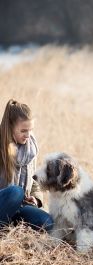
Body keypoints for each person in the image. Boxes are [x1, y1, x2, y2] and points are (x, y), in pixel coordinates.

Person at [0, 99, 53, 231]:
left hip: (21, 207)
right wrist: (13, 198)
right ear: (11, 127)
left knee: (49, 222)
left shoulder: (30, 149)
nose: (28, 135)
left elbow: (34, 181)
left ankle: (9, 226)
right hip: (3, 203)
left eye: (30, 130)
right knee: (16, 192)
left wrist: (35, 198)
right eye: (23, 131)